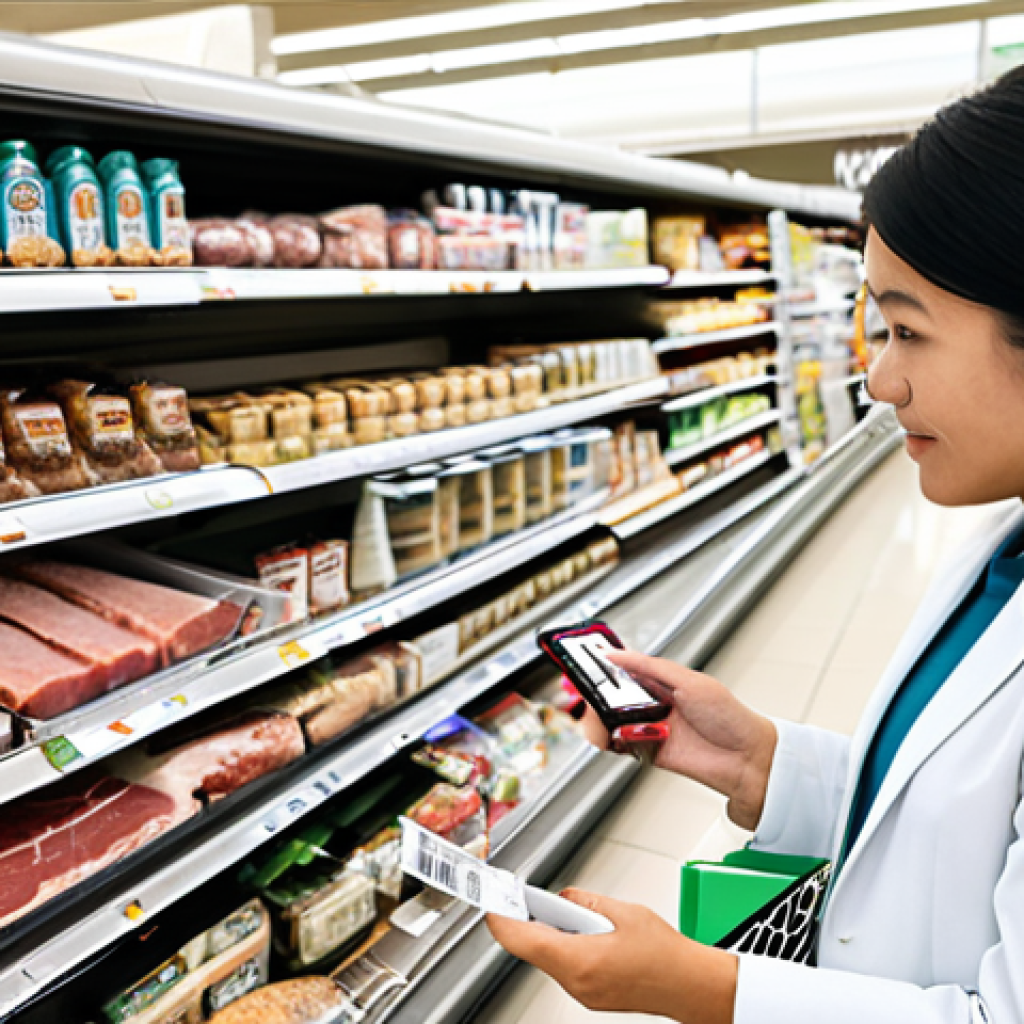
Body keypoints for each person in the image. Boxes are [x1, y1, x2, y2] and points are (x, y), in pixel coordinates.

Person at [487, 66, 1024, 1024]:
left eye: (906, 330)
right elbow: (943, 822)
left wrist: (705, 989)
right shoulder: (1004, 541)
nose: (879, 382)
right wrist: (757, 760)